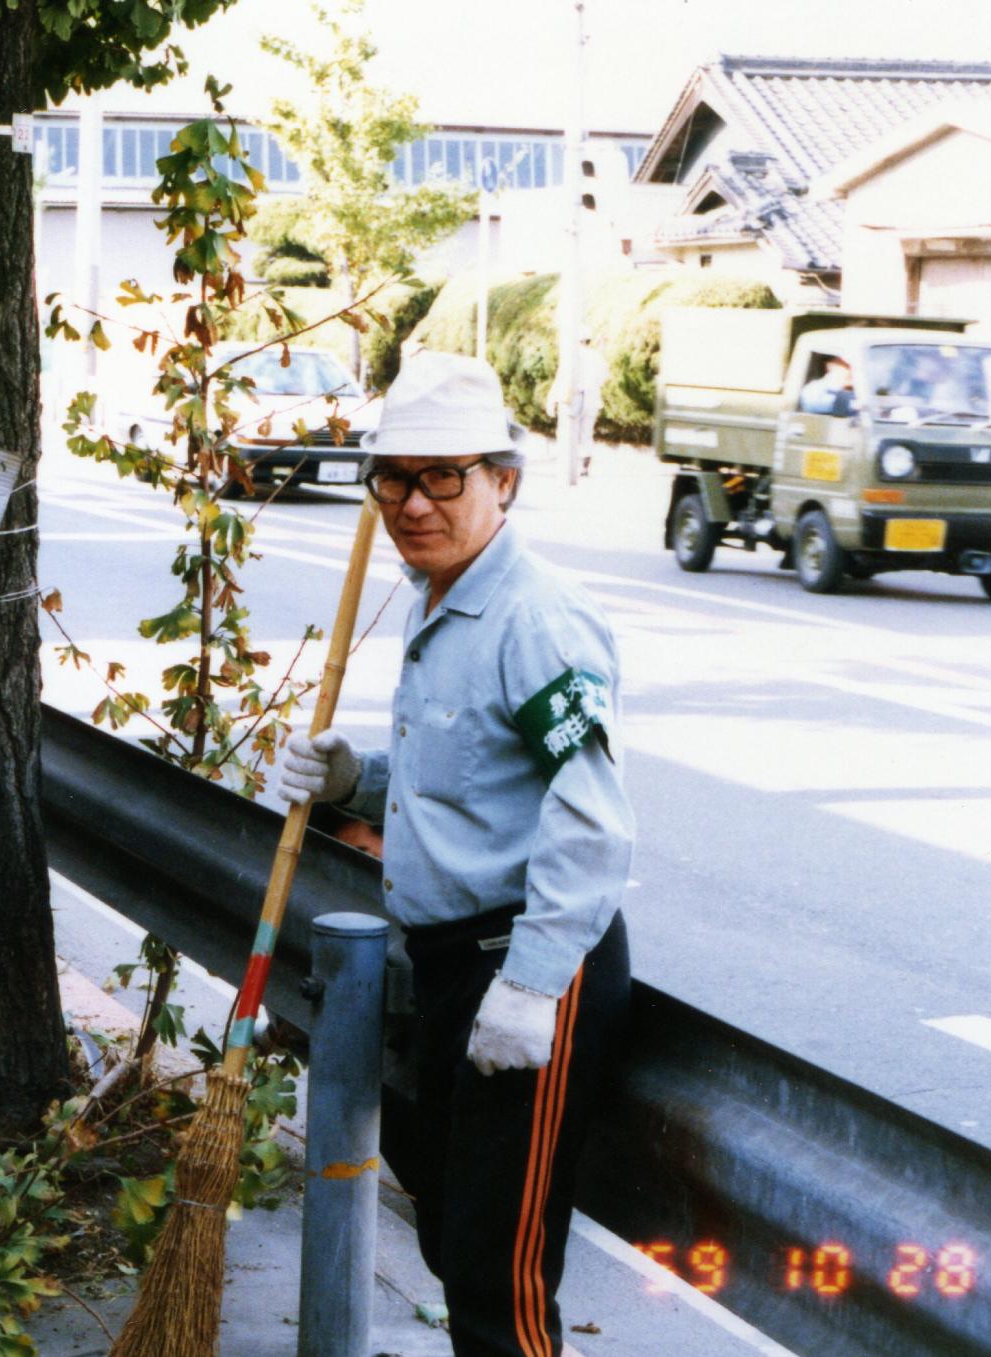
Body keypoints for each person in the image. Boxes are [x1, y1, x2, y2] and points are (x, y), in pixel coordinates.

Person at [272, 352, 633, 1357]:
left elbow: (590, 814)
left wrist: (527, 983)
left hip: (522, 966)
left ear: (502, 481)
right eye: (392, 477)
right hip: (441, 968)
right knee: (443, 1223)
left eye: (444, 476)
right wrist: (351, 777)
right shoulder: (441, 596)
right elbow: (461, 775)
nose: (412, 502)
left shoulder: (535, 619)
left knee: (494, 1270)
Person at [549, 335, 607, 477]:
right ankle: (584, 466)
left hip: (574, 398)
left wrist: (552, 399)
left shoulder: (571, 356)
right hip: (592, 398)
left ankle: (568, 464)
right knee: (587, 433)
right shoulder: (597, 357)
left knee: (568, 432)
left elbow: (561, 378)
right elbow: (603, 378)